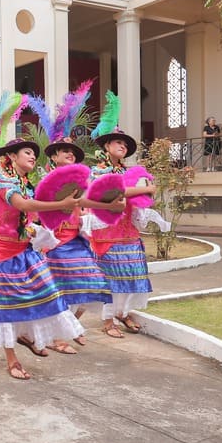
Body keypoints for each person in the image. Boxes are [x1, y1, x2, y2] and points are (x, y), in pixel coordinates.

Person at [0, 92, 83, 380]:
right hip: (0, 253)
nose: (31, 156)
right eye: (26, 152)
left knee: (45, 293)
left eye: (33, 153)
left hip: (24, 251)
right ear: (12, 157)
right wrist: (60, 204)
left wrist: (64, 209)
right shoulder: (3, 181)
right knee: (5, 308)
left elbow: (34, 214)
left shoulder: (27, 185)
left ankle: (29, 336)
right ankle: (11, 358)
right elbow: (24, 206)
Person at [41, 138, 124, 352]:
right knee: (62, 290)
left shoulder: (78, 180)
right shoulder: (48, 179)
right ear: (54, 156)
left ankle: (70, 326)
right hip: (57, 242)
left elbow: (83, 202)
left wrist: (107, 205)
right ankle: (56, 338)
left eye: (73, 152)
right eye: (65, 151)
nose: (70, 154)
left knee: (93, 283)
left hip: (77, 240)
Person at [90, 92, 156, 339]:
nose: (123, 147)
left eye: (125, 145)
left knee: (131, 275)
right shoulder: (98, 171)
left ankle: (123, 312)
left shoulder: (129, 172)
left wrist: (146, 193)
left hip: (129, 231)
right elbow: (113, 191)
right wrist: (146, 189)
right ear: (107, 146)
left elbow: (133, 195)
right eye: (118, 142)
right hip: (108, 232)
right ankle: (108, 320)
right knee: (112, 278)